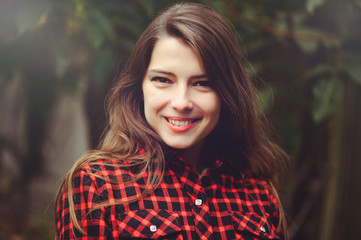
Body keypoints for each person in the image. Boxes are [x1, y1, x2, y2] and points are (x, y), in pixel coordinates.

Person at [56, 2, 288, 239]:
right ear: (139, 87)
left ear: (227, 94)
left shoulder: (258, 191)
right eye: (163, 80)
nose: (181, 102)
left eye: (202, 83)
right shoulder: (96, 186)